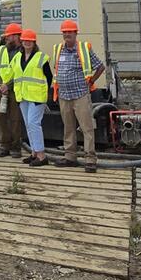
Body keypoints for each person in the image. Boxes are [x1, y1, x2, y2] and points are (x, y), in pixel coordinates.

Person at [51, 19, 106, 172]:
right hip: (64, 95)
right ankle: (70, 157)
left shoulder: (83, 48)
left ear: (76, 33)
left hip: (80, 94)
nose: (67, 34)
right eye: (65, 32)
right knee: (68, 127)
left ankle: (90, 158)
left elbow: (100, 67)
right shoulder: (58, 49)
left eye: (70, 32)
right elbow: (57, 69)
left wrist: (92, 81)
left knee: (86, 127)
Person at [13, 29, 53, 167]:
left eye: (29, 40)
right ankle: (34, 153)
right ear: (22, 42)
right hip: (23, 96)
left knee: (34, 123)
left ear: (34, 42)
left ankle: (42, 155)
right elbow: (14, 74)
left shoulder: (41, 57)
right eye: (25, 40)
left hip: (37, 96)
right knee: (28, 125)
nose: (27, 43)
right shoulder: (17, 57)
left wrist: (47, 93)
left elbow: (49, 77)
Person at [0, 23, 25, 158]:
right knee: (0, 118)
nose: (7, 38)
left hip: (15, 90)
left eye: (10, 36)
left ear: (17, 36)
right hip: (0, 89)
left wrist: (8, 86)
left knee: (15, 119)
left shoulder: (24, 51)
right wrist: (1, 84)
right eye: (7, 36)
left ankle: (15, 147)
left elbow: (22, 72)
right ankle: (4, 145)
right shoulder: (1, 50)